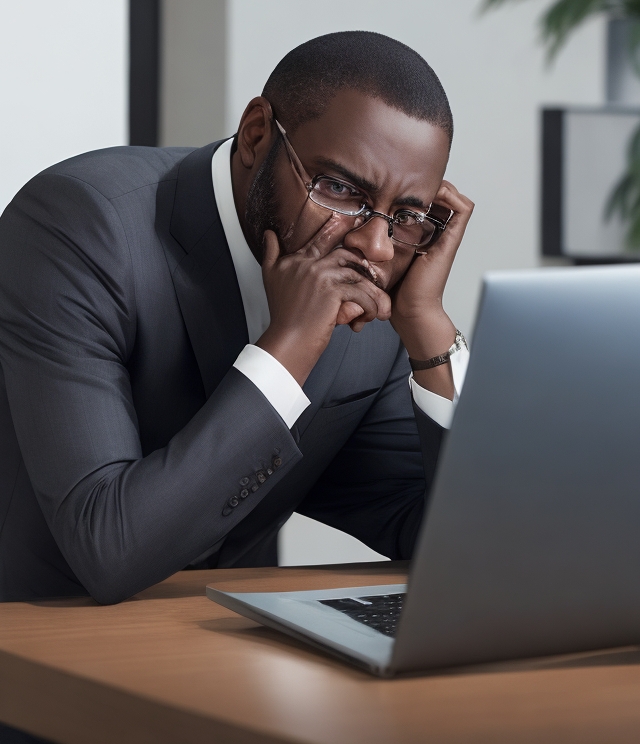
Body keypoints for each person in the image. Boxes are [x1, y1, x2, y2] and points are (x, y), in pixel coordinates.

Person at [0, 31, 473, 604]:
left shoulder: (381, 294)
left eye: (406, 215)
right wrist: (290, 346)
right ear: (255, 135)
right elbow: (110, 547)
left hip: (221, 640)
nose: (375, 246)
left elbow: (460, 542)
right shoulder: (81, 227)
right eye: (341, 188)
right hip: (33, 640)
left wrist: (427, 328)